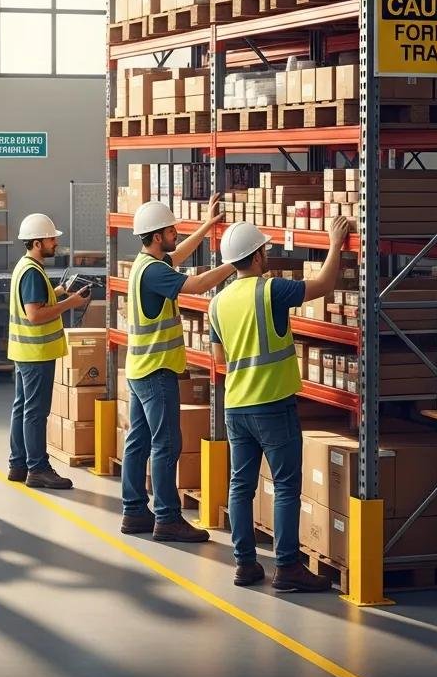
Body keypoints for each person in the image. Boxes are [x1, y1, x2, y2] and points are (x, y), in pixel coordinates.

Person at [210, 216, 350, 593]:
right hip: (272, 403)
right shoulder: (270, 290)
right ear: (257, 256)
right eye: (265, 250)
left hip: (236, 406)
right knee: (286, 485)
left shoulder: (217, 303)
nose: (267, 255)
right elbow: (323, 285)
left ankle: (245, 564)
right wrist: (335, 243)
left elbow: (219, 358)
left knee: (241, 486)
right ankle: (287, 567)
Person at [122, 196, 236, 543]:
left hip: (139, 368)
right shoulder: (155, 271)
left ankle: (134, 511)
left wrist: (206, 225)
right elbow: (197, 286)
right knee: (167, 445)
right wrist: (237, 261)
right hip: (157, 371)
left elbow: (179, 255)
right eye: (172, 230)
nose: (176, 234)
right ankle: (168, 517)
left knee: (138, 442)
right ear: (158, 236)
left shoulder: (146, 264)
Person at [7, 213, 91, 489]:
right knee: (35, 411)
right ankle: (38, 468)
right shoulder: (32, 272)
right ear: (37, 242)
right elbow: (35, 314)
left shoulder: (26, 266)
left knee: (22, 407)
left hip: (24, 352)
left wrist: (60, 292)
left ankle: (18, 464)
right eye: (51, 239)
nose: (55, 243)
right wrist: (72, 303)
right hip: (36, 353)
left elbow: (35, 301)